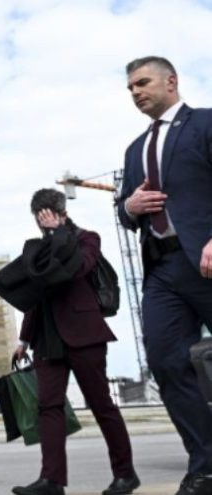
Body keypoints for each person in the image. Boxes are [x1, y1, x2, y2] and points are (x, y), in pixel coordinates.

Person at [116, 56, 212, 495]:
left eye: (143, 83)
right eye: (130, 87)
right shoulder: (134, 149)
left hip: (207, 256)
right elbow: (126, 209)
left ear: (171, 81)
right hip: (163, 268)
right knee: (167, 362)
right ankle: (206, 465)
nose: (135, 92)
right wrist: (128, 208)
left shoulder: (205, 124)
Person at [10, 189, 138, 495]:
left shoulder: (87, 239)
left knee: (101, 405)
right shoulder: (38, 248)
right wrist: (24, 339)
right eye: (38, 220)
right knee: (48, 407)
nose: (42, 224)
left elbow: (78, 267)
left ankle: (125, 474)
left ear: (61, 213)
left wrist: (58, 234)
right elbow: (35, 296)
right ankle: (51, 480)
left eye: (47, 217)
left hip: (85, 335)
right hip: (47, 338)